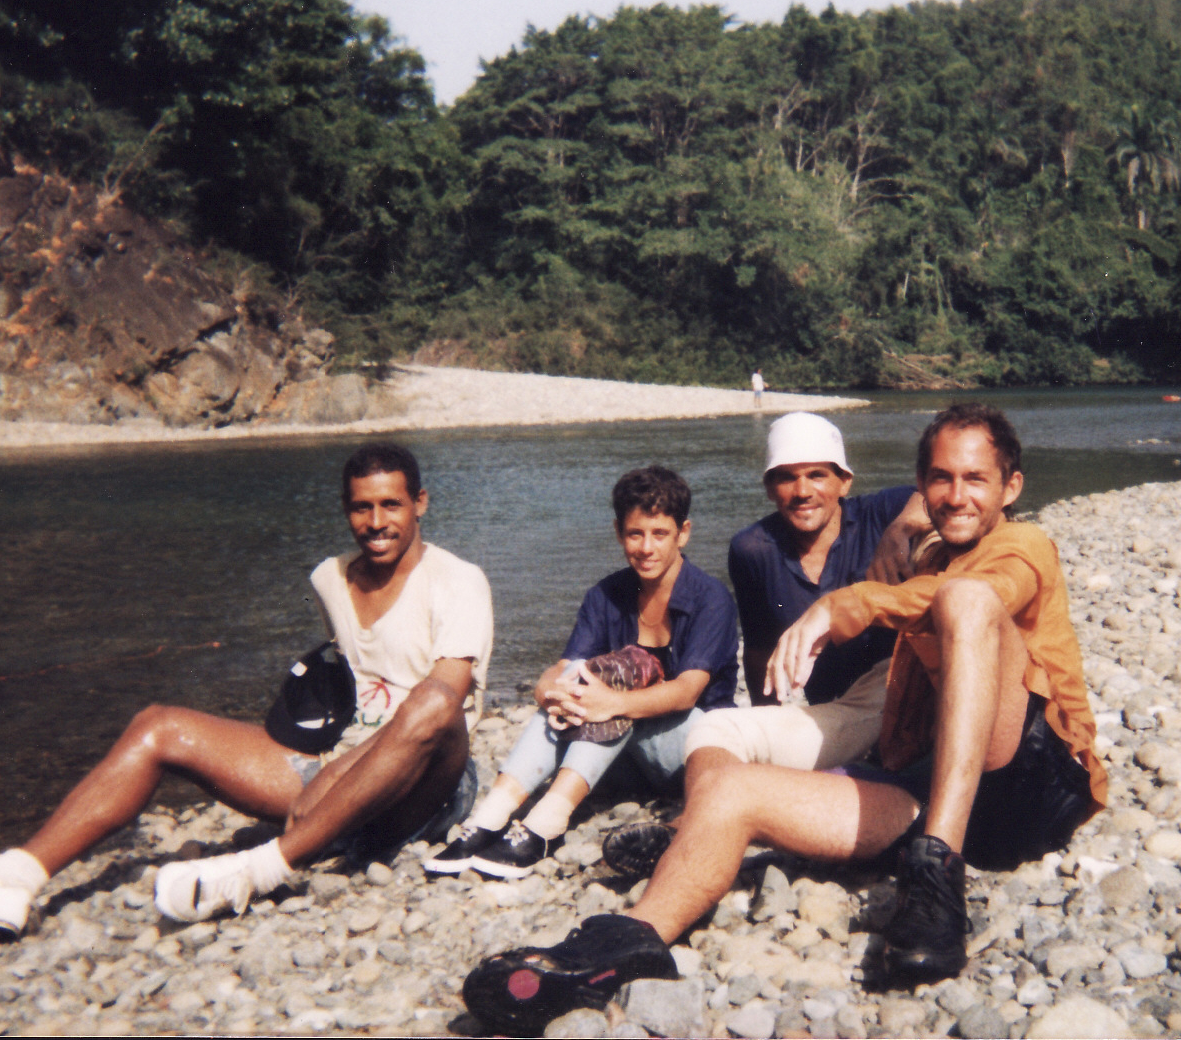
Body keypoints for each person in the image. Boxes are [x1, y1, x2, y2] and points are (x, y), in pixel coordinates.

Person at [460, 405, 1106, 1035]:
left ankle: (937, 876)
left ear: (1011, 488)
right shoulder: (921, 548)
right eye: (941, 478)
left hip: (1029, 786)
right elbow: (925, 523)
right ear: (921, 483)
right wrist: (903, 532)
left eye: (975, 479)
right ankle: (617, 946)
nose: (956, 494)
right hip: (929, 788)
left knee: (965, 600)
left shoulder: (1025, 543)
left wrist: (842, 604)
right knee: (732, 790)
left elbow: (987, 592)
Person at [0, 442, 491, 934]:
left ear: (420, 504)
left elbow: (442, 705)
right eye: (361, 508)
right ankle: (12, 879)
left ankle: (261, 869)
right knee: (159, 724)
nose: (376, 523)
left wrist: (331, 783)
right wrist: (322, 769)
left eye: (391, 505)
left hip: (426, 784)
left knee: (435, 701)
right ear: (346, 509)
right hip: (338, 768)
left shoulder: (458, 582)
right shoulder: (330, 578)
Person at [598, 412, 927, 879]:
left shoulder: (881, 514)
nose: (803, 490)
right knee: (717, 728)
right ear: (770, 488)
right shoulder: (753, 548)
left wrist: (901, 527)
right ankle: (701, 822)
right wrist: (765, 723)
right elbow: (757, 648)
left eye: (818, 475)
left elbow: (935, 494)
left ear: (845, 481)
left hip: (895, 691)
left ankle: (685, 831)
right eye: (787, 478)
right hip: (838, 714)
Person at [424, 466, 738, 879]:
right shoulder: (606, 595)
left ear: (683, 534)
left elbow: (686, 692)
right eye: (635, 534)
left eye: (660, 534)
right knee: (576, 674)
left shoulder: (710, 598)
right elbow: (561, 668)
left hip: (692, 752)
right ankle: (489, 817)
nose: (646, 548)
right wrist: (549, 693)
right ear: (618, 532)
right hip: (623, 758)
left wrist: (610, 702)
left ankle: (546, 823)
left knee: (610, 682)